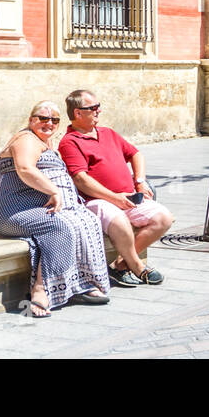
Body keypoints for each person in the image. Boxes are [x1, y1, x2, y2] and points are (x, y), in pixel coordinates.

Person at [0, 102, 110, 318]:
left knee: (84, 222)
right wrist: (54, 191)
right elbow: (25, 169)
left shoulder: (43, 141)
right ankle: (41, 289)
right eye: (43, 118)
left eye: (54, 119)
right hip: (12, 212)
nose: (49, 123)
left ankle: (78, 283)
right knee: (59, 227)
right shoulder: (26, 139)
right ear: (31, 119)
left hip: (32, 207)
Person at [59, 90, 174, 288]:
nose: (99, 111)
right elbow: (81, 180)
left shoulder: (108, 133)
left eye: (98, 106)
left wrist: (140, 181)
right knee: (120, 220)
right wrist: (114, 198)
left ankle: (120, 265)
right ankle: (138, 267)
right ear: (78, 113)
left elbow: (136, 154)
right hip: (96, 201)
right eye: (93, 108)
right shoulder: (70, 142)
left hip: (128, 197)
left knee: (164, 218)